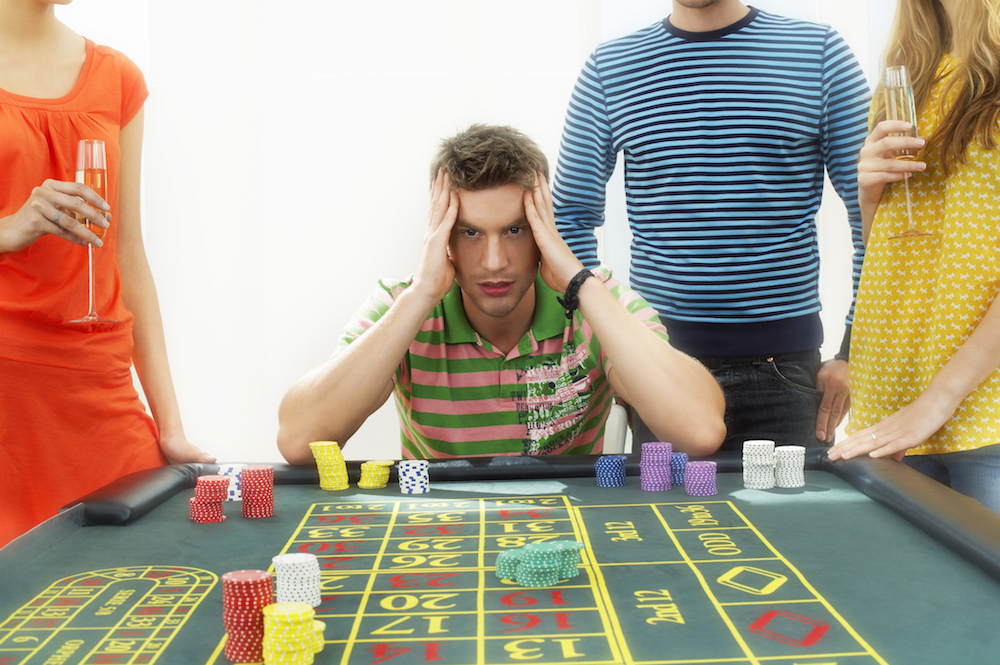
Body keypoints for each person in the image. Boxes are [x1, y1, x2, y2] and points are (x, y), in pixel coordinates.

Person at [277, 124, 726, 463]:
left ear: (543, 230)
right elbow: (299, 442)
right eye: (470, 232)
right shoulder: (402, 305)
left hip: (568, 541)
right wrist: (420, 296)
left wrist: (579, 282)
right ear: (442, 237)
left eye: (515, 230)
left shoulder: (598, 302)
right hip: (442, 544)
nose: (494, 261)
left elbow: (700, 431)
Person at [551, 0, 871, 450]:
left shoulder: (818, 52)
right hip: (661, 366)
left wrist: (855, 351)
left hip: (784, 372)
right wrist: (616, 349)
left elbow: (877, 214)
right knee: (669, 520)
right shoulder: (612, 67)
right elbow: (568, 217)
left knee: (795, 522)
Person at [0, 0, 214, 548]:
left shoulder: (116, 76)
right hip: (10, 398)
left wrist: (170, 427)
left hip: (97, 384)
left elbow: (128, 253)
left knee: (142, 586)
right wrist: (8, 229)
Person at [828, 0, 1000, 513]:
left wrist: (936, 403)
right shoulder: (910, 76)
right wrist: (869, 199)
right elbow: (896, 255)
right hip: (891, 404)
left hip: (982, 413)